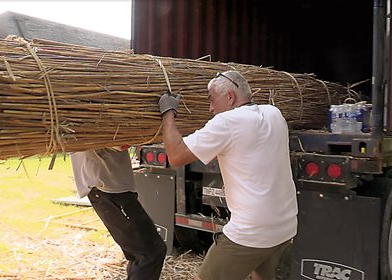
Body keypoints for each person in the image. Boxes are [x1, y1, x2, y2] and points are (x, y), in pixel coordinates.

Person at [158, 70, 298, 280]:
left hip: (251, 233)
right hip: (284, 227)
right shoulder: (274, 113)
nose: (211, 108)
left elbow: (176, 156)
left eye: (212, 100)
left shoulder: (227, 122)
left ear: (230, 97)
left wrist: (168, 113)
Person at [70, 147, 167, 280]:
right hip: (109, 187)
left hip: (107, 186)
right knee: (151, 252)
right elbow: (118, 142)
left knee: (139, 252)